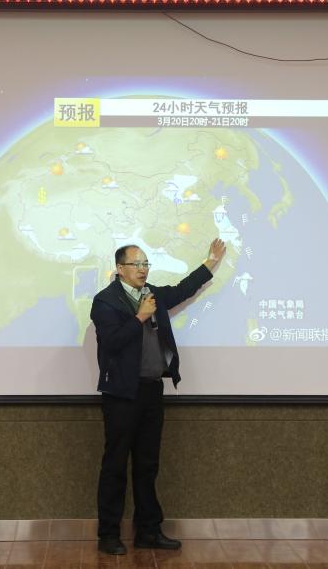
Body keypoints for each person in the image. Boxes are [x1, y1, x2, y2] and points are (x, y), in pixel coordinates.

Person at [91, 238, 226, 556]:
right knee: (115, 466)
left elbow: (182, 290)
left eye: (146, 264)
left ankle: (148, 531)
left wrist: (210, 262)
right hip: (122, 394)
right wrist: (139, 317)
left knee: (147, 465)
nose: (143, 269)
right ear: (120, 269)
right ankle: (109, 535)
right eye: (136, 264)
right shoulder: (105, 301)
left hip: (152, 390)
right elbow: (111, 342)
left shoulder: (151, 294)